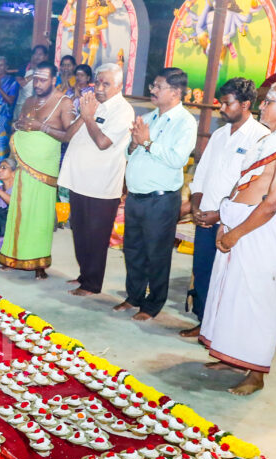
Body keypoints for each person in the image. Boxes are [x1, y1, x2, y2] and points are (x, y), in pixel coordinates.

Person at [200, 81, 276, 396]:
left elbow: (273, 202)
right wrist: (226, 218)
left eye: (269, 101)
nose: (262, 106)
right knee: (231, 293)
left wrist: (236, 232)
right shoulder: (271, 139)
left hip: (261, 229)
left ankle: (256, 372)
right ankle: (231, 356)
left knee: (257, 298)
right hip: (240, 222)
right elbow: (245, 184)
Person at [182, 77, 268, 336]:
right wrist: (196, 207)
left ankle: (222, 330)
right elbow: (202, 173)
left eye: (227, 103)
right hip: (205, 217)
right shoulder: (219, 135)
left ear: (245, 104)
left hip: (234, 222)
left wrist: (220, 215)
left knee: (228, 277)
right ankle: (203, 322)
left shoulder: (260, 138)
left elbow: (253, 188)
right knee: (203, 270)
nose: (221, 108)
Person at [117, 67, 197, 321]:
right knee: (133, 250)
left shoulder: (185, 122)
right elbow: (129, 153)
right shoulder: (149, 117)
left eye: (158, 86)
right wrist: (134, 143)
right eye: (152, 85)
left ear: (175, 92)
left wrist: (147, 142)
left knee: (157, 254)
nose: (152, 90)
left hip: (161, 200)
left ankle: (153, 305)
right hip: (136, 196)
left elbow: (177, 159)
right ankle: (134, 296)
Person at [59, 63, 136, 298]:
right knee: (80, 231)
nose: (99, 88)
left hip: (101, 185)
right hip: (78, 180)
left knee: (95, 236)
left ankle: (92, 284)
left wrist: (88, 117)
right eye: (98, 82)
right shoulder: (92, 103)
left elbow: (103, 143)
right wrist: (84, 115)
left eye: (106, 84)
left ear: (119, 86)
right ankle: (84, 275)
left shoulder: (123, 110)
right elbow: (68, 135)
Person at [0, 63, 73, 278]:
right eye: (36, 79)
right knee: (19, 211)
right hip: (24, 167)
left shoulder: (64, 102)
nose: (37, 84)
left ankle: (39, 263)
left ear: (54, 80)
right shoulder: (29, 101)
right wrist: (18, 126)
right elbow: (18, 124)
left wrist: (42, 127)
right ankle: (13, 256)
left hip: (44, 168)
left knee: (40, 215)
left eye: (42, 80)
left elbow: (69, 135)